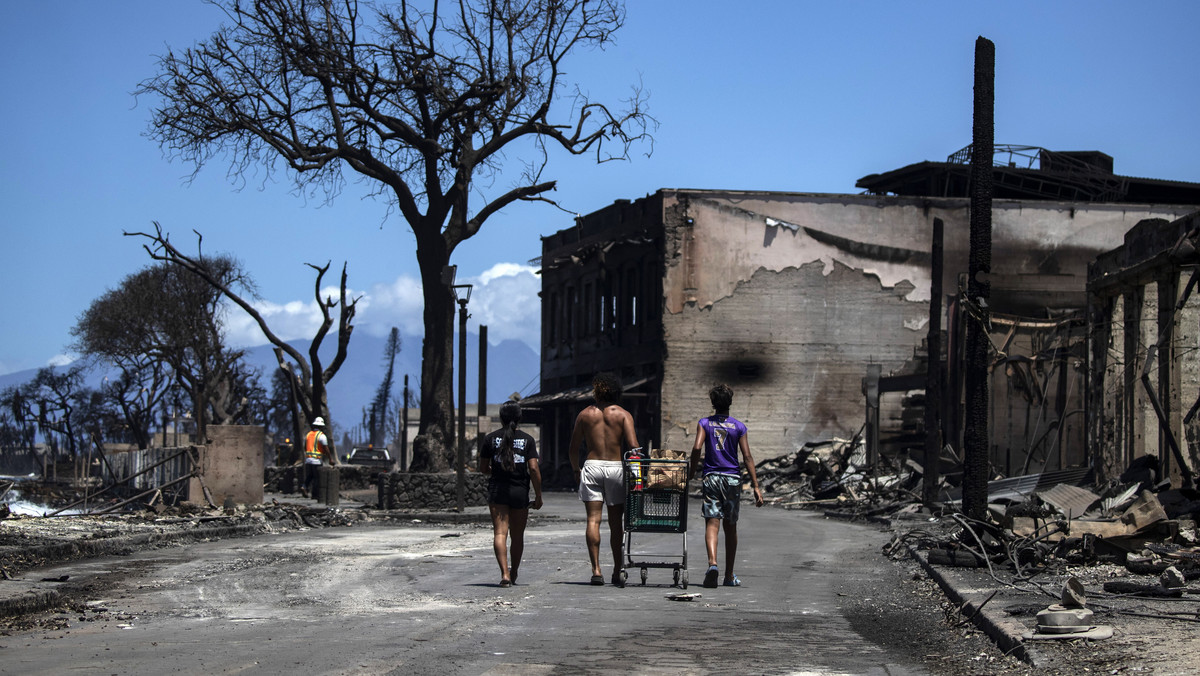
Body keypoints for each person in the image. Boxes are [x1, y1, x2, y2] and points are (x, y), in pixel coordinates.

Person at [568, 372, 640, 587]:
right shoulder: (624, 415)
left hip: (592, 466)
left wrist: (575, 470)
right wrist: (638, 475)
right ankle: (618, 569)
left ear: (597, 392)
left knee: (593, 520)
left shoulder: (584, 415)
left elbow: (573, 449)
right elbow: (633, 447)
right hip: (616, 467)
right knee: (616, 523)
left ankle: (596, 570)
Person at [689, 384, 764, 588]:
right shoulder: (739, 427)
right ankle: (729, 575)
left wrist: (690, 471)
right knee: (730, 527)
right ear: (730, 403)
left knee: (712, 523)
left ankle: (713, 563)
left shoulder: (704, 423)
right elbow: (747, 456)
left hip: (712, 477)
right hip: (732, 479)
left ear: (713, 403)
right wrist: (756, 486)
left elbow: (697, 447)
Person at [478, 401, 543, 587]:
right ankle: (514, 571)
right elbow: (533, 468)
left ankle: (504, 574)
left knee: (500, 533)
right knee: (517, 536)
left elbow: (483, 468)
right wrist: (538, 495)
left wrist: (498, 470)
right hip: (519, 491)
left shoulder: (490, 439)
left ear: (501, 418)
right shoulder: (528, 440)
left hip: (497, 490)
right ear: (519, 418)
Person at [297, 416, 337, 498]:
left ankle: (304, 486)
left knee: (310, 476)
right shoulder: (322, 436)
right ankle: (315, 495)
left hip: (308, 460)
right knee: (317, 478)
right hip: (317, 461)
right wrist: (330, 459)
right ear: (322, 426)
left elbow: (305, 447)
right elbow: (326, 449)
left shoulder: (308, 435)